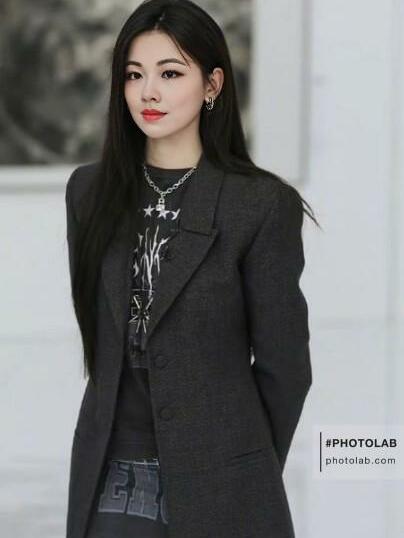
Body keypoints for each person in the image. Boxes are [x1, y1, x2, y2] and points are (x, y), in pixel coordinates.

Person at [65, 1, 319, 537]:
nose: (148, 92)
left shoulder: (259, 205)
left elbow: (286, 368)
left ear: (212, 85)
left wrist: (243, 471)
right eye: (133, 75)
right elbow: (100, 340)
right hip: (111, 474)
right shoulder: (89, 193)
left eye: (170, 73)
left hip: (221, 479)